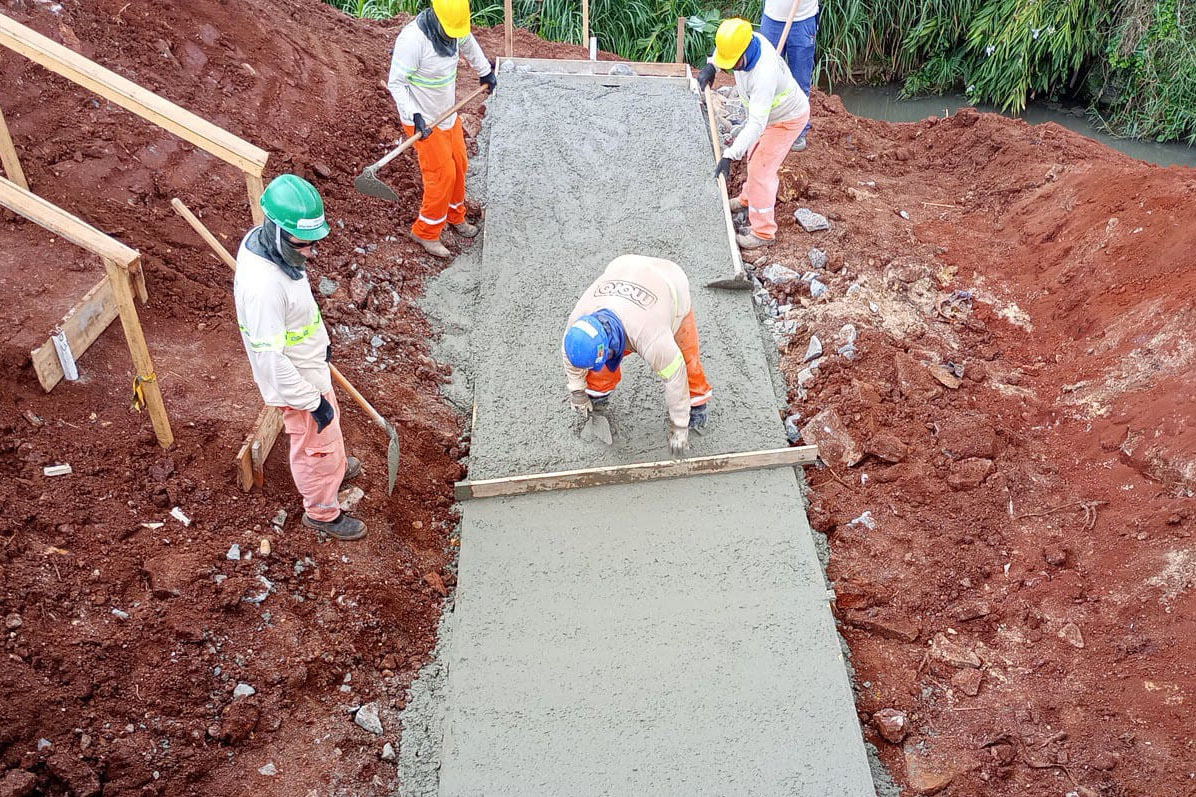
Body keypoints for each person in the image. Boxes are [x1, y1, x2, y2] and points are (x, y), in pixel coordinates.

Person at [234, 174, 366, 542]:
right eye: (303, 244)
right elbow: (271, 363)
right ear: (277, 232)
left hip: (310, 368)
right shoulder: (264, 288)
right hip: (298, 385)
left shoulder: (268, 246)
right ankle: (322, 512)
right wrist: (311, 402)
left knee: (328, 438)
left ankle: (335, 466)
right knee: (315, 449)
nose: (310, 251)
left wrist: (318, 347)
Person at [562, 255, 713, 456]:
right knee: (598, 371)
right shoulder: (577, 326)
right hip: (624, 268)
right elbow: (570, 359)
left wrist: (679, 427)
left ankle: (697, 407)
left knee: (688, 363)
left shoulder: (653, 338)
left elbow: (675, 378)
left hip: (670, 285)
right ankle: (597, 397)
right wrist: (578, 393)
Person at [387, 0, 497, 259]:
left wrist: (485, 72)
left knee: (459, 163)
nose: (454, 37)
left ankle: (455, 215)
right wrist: (413, 116)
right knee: (442, 174)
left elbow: (468, 42)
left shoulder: (454, 29)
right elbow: (397, 83)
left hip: (447, 113)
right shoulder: (412, 40)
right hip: (423, 120)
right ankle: (425, 232)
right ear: (437, 18)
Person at [697, 18, 810, 251]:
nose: (731, 67)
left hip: (786, 120)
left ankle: (763, 232)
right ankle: (748, 199)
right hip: (770, 116)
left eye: (732, 63)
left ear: (746, 52)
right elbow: (725, 50)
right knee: (754, 153)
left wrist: (729, 155)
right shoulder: (745, 43)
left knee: (761, 168)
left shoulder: (764, 73)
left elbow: (757, 123)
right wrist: (712, 66)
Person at [759, 0, 818, 151]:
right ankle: (763, 125)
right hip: (773, 19)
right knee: (765, 75)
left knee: (801, 80)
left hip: (803, 20)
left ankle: (798, 132)